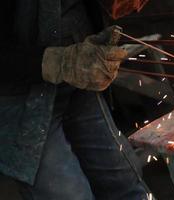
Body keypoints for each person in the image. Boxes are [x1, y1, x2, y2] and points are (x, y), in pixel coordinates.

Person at [0, 0, 150, 199]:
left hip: (78, 80)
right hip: (19, 104)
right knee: (71, 194)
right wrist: (58, 62)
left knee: (124, 186)